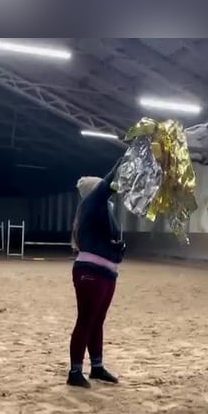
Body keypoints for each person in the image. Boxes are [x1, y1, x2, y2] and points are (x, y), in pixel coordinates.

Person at [67, 159, 126, 388]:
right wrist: (128, 155)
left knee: (97, 321)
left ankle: (97, 367)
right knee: (86, 320)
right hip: (92, 272)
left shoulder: (101, 212)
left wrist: (116, 249)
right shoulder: (93, 203)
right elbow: (111, 180)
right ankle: (75, 372)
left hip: (106, 271)